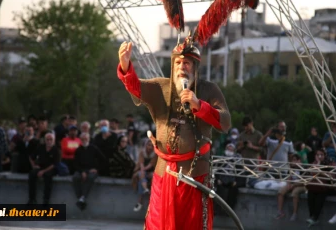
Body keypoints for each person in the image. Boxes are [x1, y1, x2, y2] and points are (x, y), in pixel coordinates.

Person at [117, 37, 230, 228]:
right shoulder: (161, 87)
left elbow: (225, 122)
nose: (181, 67)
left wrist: (199, 105)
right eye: (178, 62)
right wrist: (125, 65)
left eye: (186, 63)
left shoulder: (209, 89)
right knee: (158, 224)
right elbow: (136, 87)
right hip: (164, 173)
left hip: (195, 175)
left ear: (195, 66)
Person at [72, 132, 105, 210]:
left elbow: (103, 160)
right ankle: (81, 198)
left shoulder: (94, 148)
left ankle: (82, 198)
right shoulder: (78, 150)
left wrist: (97, 169)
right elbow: (75, 164)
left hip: (92, 170)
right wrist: (82, 171)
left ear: (89, 139)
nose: (84, 140)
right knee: (75, 177)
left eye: (86, 139)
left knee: (90, 178)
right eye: (82, 139)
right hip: (82, 170)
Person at [28, 133, 60, 205]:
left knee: (48, 176)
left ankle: (46, 200)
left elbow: (55, 164)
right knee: (32, 174)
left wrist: (43, 171)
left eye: (50, 139)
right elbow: (31, 157)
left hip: (51, 168)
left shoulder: (56, 150)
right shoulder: (41, 147)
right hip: (40, 167)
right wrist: (34, 166)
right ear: (45, 140)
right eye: (47, 139)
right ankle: (32, 199)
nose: (49, 141)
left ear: (53, 141)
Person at [275, 154, 307, 221]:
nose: (293, 162)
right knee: (280, 192)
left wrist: (294, 185)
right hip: (292, 184)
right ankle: (280, 211)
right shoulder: (291, 168)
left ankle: (294, 213)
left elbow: (304, 181)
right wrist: (289, 183)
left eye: (295, 160)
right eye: (292, 160)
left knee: (295, 193)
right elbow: (289, 177)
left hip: (301, 185)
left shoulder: (303, 168)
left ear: (299, 160)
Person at [132, 139, 158, 212]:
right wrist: (142, 171)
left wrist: (146, 171)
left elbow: (151, 165)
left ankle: (141, 201)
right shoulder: (142, 153)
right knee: (140, 175)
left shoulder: (155, 154)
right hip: (141, 171)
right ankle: (145, 190)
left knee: (153, 177)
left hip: (151, 172)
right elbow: (141, 164)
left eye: (152, 146)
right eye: (148, 145)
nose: (150, 147)